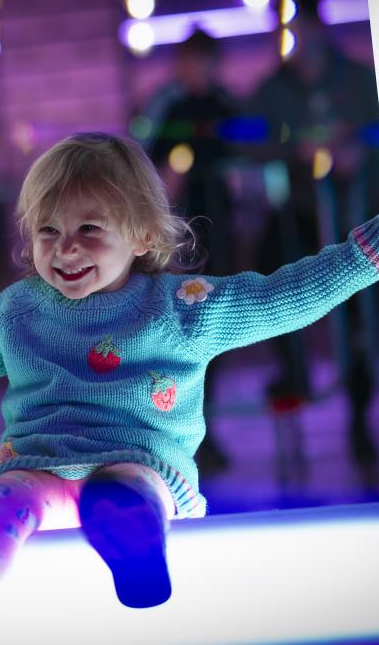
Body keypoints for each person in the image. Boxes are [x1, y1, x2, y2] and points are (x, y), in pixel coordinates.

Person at [0, 132, 379, 643]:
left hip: (139, 464)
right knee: (10, 497)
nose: (66, 248)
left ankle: (134, 552)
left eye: (89, 229)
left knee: (124, 489)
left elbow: (282, 298)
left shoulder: (183, 307)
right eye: (48, 231)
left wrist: (374, 251)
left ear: (143, 236)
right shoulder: (19, 310)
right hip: (40, 468)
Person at [249, 0, 379, 471]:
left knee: (359, 315)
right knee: (267, 279)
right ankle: (293, 374)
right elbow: (253, 140)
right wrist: (293, 154)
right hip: (299, 216)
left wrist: (358, 148)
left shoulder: (356, 79)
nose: (297, 37)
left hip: (355, 212)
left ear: (318, 26)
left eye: (303, 26)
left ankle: (360, 417)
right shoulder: (273, 88)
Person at [139, 28, 246, 475]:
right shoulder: (168, 108)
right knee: (178, 331)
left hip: (220, 232)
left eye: (204, 61)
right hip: (178, 238)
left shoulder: (227, 106)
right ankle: (181, 435)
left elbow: (245, 150)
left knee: (212, 334)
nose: (197, 70)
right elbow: (148, 159)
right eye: (190, 61)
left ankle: (206, 431)